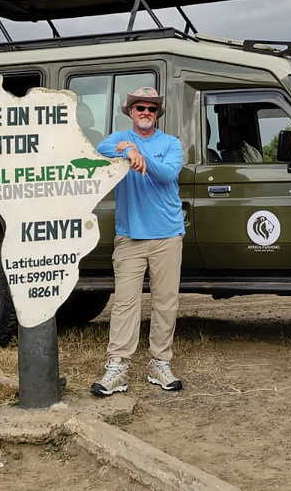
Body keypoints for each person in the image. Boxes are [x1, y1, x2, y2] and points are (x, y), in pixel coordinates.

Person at [90, 87, 185, 396]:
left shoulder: (171, 143)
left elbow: (169, 174)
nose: (146, 112)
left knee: (165, 302)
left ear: (157, 114)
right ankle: (117, 367)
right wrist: (127, 150)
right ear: (130, 111)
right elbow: (101, 148)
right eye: (140, 107)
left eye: (152, 109)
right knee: (125, 303)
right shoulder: (119, 138)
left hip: (167, 235)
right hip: (130, 236)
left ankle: (160, 363)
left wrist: (140, 155)